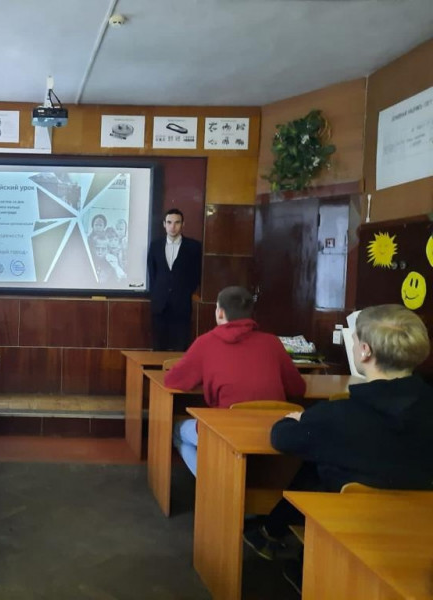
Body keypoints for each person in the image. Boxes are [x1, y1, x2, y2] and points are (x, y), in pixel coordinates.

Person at [245, 304, 433, 576]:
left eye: (354, 339)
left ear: (365, 351)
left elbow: (281, 438)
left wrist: (296, 419)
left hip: (352, 532)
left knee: (319, 465)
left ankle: (279, 541)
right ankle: (271, 532)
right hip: (421, 534)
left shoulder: (337, 416)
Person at [164, 286, 306, 476]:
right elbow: (298, 388)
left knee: (177, 430)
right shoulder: (272, 342)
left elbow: (173, 380)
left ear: (220, 312)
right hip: (274, 431)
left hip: (226, 431)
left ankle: (211, 482)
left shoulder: (206, 342)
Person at [147, 208, 202, 350]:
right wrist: (157, 294)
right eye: (169, 222)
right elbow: (152, 273)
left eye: (177, 222)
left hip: (182, 305)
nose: (173, 226)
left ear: (183, 224)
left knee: (181, 347)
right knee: (158, 348)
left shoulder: (194, 247)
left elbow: (196, 274)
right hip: (160, 305)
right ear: (164, 224)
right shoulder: (155, 245)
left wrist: (186, 292)